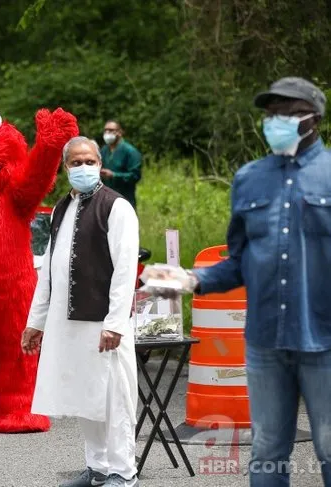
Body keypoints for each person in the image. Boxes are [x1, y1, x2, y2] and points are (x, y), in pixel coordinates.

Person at [141, 77, 331, 487]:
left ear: (312, 118)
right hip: (264, 341)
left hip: (325, 340)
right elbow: (238, 263)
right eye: (270, 112)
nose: (274, 120)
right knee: (266, 450)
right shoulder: (249, 178)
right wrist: (190, 279)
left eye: (286, 112)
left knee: (330, 449)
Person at [22, 136, 140, 487]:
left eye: (90, 161)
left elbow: (124, 270)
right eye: (76, 162)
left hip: (105, 321)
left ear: (100, 163)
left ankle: (123, 471)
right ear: (65, 167)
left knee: (115, 398)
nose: (83, 167)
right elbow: (50, 269)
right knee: (86, 396)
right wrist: (36, 322)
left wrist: (116, 323)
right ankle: (98, 469)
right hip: (69, 321)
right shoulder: (61, 208)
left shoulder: (116, 207)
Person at [99, 120, 142, 208]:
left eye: (111, 130)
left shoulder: (130, 152)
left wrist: (114, 175)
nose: (107, 133)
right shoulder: (103, 150)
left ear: (120, 132)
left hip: (125, 198)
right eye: (105, 130)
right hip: (105, 198)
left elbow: (135, 176)